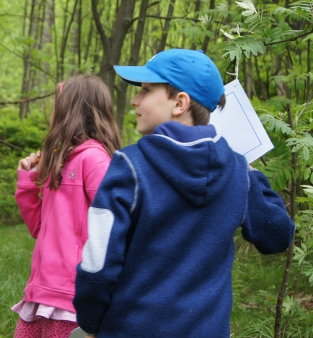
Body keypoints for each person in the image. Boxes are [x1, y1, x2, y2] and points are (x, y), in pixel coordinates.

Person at [73, 49, 295, 338]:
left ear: (180, 102)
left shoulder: (129, 167)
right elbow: (278, 234)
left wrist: (90, 324)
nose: (135, 100)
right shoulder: (238, 173)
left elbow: (98, 263)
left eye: (146, 90)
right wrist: (250, 172)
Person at [12, 74, 121, 338]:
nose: (52, 114)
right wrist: (28, 182)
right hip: (39, 294)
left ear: (71, 111)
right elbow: (39, 227)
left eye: (55, 106)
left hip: (70, 301)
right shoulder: (61, 162)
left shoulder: (95, 160)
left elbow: (114, 228)